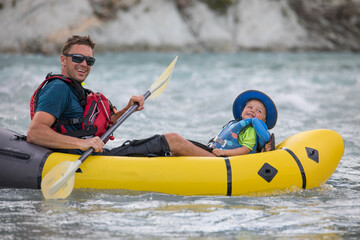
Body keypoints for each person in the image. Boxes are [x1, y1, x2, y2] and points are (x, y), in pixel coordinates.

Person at [27, 35, 148, 155]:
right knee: (163, 142)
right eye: (78, 58)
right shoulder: (58, 88)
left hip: (90, 155)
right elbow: (35, 133)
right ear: (63, 60)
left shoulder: (77, 90)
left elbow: (100, 123)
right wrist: (82, 144)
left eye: (89, 60)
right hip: (74, 158)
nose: (84, 64)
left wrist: (127, 110)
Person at [162, 90, 277, 157]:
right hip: (213, 151)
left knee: (178, 144)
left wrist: (224, 152)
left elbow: (245, 150)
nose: (252, 110)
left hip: (223, 158)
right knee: (186, 143)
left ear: (263, 121)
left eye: (258, 111)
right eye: (249, 107)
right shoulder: (235, 125)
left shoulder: (250, 129)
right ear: (242, 111)